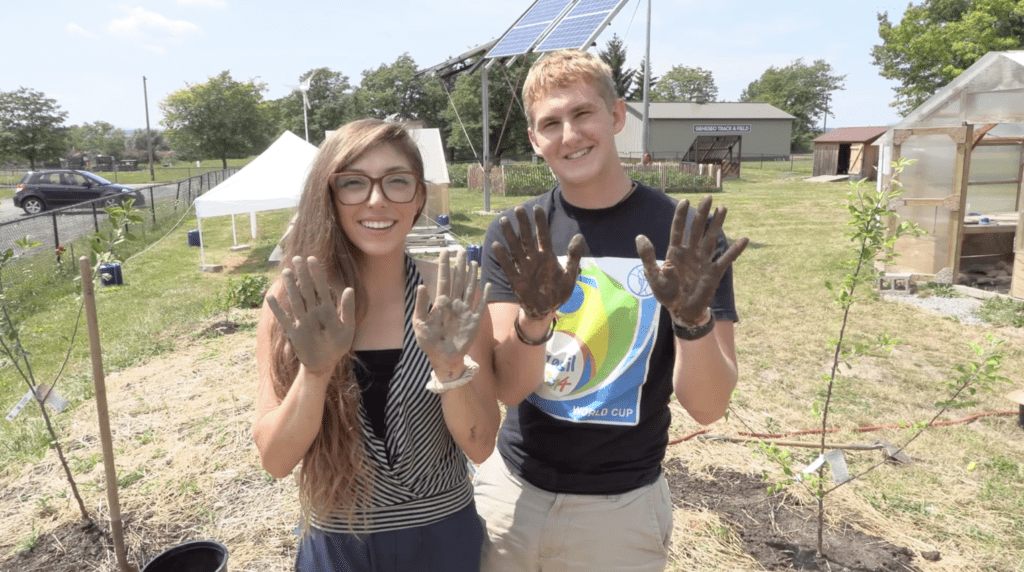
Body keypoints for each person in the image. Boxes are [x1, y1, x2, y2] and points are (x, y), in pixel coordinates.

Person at [474, 49, 749, 571]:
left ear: (616, 115)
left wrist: (693, 323)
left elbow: (709, 407)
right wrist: (534, 321)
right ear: (534, 140)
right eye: (550, 124)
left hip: (621, 512)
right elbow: (508, 389)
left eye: (582, 114)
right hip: (511, 493)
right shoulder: (515, 234)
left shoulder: (687, 239)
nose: (569, 135)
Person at [253, 118, 499, 572]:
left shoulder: (453, 297)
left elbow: (482, 446)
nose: (377, 199)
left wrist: (449, 369)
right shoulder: (292, 306)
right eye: (353, 183)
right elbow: (276, 460)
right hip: (338, 546)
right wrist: (316, 372)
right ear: (330, 195)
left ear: (420, 196)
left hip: (443, 539)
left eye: (397, 181)